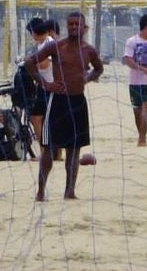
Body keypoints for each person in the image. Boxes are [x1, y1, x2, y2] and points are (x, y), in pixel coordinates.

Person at [34, 11, 103, 203]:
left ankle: (69, 191)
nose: (74, 27)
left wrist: (87, 78)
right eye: (71, 24)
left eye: (77, 24)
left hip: (77, 101)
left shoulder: (88, 50)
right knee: (49, 148)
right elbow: (31, 63)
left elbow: (99, 68)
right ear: (67, 26)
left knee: (74, 148)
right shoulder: (57, 46)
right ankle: (40, 191)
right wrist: (46, 84)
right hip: (57, 101)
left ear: (84, 27)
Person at [121, 11, 147, 147]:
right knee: (138, 111)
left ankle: (142, 138)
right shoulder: (132, 41)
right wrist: (143, 69)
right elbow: (128, 60)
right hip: (135, 82)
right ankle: (141, 135)